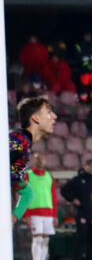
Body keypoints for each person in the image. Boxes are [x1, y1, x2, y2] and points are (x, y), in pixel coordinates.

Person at [10, 97, 57, 228]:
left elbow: (27, 192)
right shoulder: (18, 139)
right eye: (48, 112)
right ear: (35, 118)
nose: (54, 116)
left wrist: (13, 217)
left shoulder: (24, 141)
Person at [22, 154, 58, 260]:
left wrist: (54, 215)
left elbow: (53, 196)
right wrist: (26, 213)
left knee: (45, 240)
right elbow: (24, 194)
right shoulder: (29, 176)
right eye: (38, 159)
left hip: (48, 212)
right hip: (35, 211)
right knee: (37, 239)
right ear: (34, 161)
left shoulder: (49, 176)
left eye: (43, 159)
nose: (41, 161)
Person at [75, 31, 92, 102]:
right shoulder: (79, 45)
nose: (87, 37)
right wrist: (84, 60)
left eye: (89, 35)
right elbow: (78, 57)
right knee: (84, 86)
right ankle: (83, 101)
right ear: (84, 36)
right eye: (86, 35)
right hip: (84, 70)